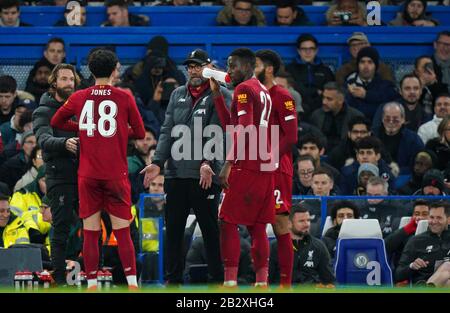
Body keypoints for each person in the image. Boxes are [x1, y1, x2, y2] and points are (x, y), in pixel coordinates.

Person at [50, 49, 145, 289]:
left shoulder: (80, 97)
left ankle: (91, 284)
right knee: (123, 232)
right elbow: (141, 132)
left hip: (88, 175)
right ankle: (132, 283)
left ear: (89, 72)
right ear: (116, 70)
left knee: (90, 232)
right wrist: (119, 133)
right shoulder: (124, 97)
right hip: (115, 174)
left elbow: (56, 122)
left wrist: (82, 128)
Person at [140, 49, 231, 285]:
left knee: (210, 230)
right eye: (190, 66)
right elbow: (167, 130)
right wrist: (158, 162)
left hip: (206, 175)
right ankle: (172, 281)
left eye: (198, 66)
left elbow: (218, 130)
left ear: (209, 67)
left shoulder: (220, 94)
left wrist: (207, 162)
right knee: (174, 231)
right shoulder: (177, 94)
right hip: (177, 173)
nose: (193, 70)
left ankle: (216, 281)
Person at [207, 47, 275, 287]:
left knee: (226, 220)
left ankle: (230, 281)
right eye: (227, 66)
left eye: (233, 65)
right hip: (266, 164)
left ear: (249, 66)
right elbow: (232, 125)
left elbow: (244, 131)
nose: (229, 71)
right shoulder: (262, 89)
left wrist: (228, 163)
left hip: (247, 164)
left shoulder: (244, 90)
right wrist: (217, 95)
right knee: (258, 225)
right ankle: (261, 281)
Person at [32, 63, 80, 286]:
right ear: (54, 83)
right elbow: (43, 140)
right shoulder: (43, 110)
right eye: (64, 79)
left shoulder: (81, 108)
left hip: (85, 175)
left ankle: (92, 274)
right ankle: (59, 279)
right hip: (60, 177)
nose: (68, 83)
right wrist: (65, 143)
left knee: (92, 226)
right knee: (60, 228)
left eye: (71, 79)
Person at [255, 49, 298, 287]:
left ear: (269, 68)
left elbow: (291, 137)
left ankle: (285, 284)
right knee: (256, 223)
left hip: (276, 167)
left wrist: (269, 159)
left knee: (279, 223)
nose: (252, 69)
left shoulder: (283, 95)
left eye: (257, 65)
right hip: (255, 168)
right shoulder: (251, 95)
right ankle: (261, 281)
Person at [270, 204, 335, 286]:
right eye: (301, 221)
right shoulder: (275, 246)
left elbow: (329, 280)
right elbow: (267, 280)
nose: (307, 224)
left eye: (308, 220)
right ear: (289, 223)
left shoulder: (318, 246)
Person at [396, 201, 450, 286]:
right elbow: (398, 275)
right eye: (431, 217)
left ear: (449, 220)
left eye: (439, 218)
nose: (434, 221)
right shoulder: (416, 241)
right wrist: (412, 266)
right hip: (420, 283)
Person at [286, 34, 335, 119]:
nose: (308, 52)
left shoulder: (325, 70)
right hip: (298, 109)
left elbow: (330, 91)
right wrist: (316, 92)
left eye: (311, 49)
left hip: (321, 110)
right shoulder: (289, 69)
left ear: (316, 50)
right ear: (298, 51)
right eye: (304, 49)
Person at [345, 47, 399, 121]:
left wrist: (366, 95)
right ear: (358, 65)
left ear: (375, 65)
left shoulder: (385, 86)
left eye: (370, 62)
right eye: (362, 62)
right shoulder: (348, 85)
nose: (366, 66)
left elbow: (391, 103)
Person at [372, 102, 425, 175]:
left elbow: (417, 166)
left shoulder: (413, 140)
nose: (391, 122)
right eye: (387, 119)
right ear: (382, 119)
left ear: (403, 119)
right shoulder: (372, 135)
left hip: (403, 178)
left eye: (395, 119)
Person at [309, 81, 364, 151]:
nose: (324, 102)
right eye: (323, 98)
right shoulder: (316, 115)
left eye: (329, 99)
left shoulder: (355, 116)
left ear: (340, 100)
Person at [385, 199, 430, 269]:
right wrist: (406, 229)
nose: (420, 217)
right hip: (404, 271)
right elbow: (386, 246)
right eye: (416, 214)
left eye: (424, 214)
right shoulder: (405, 232)